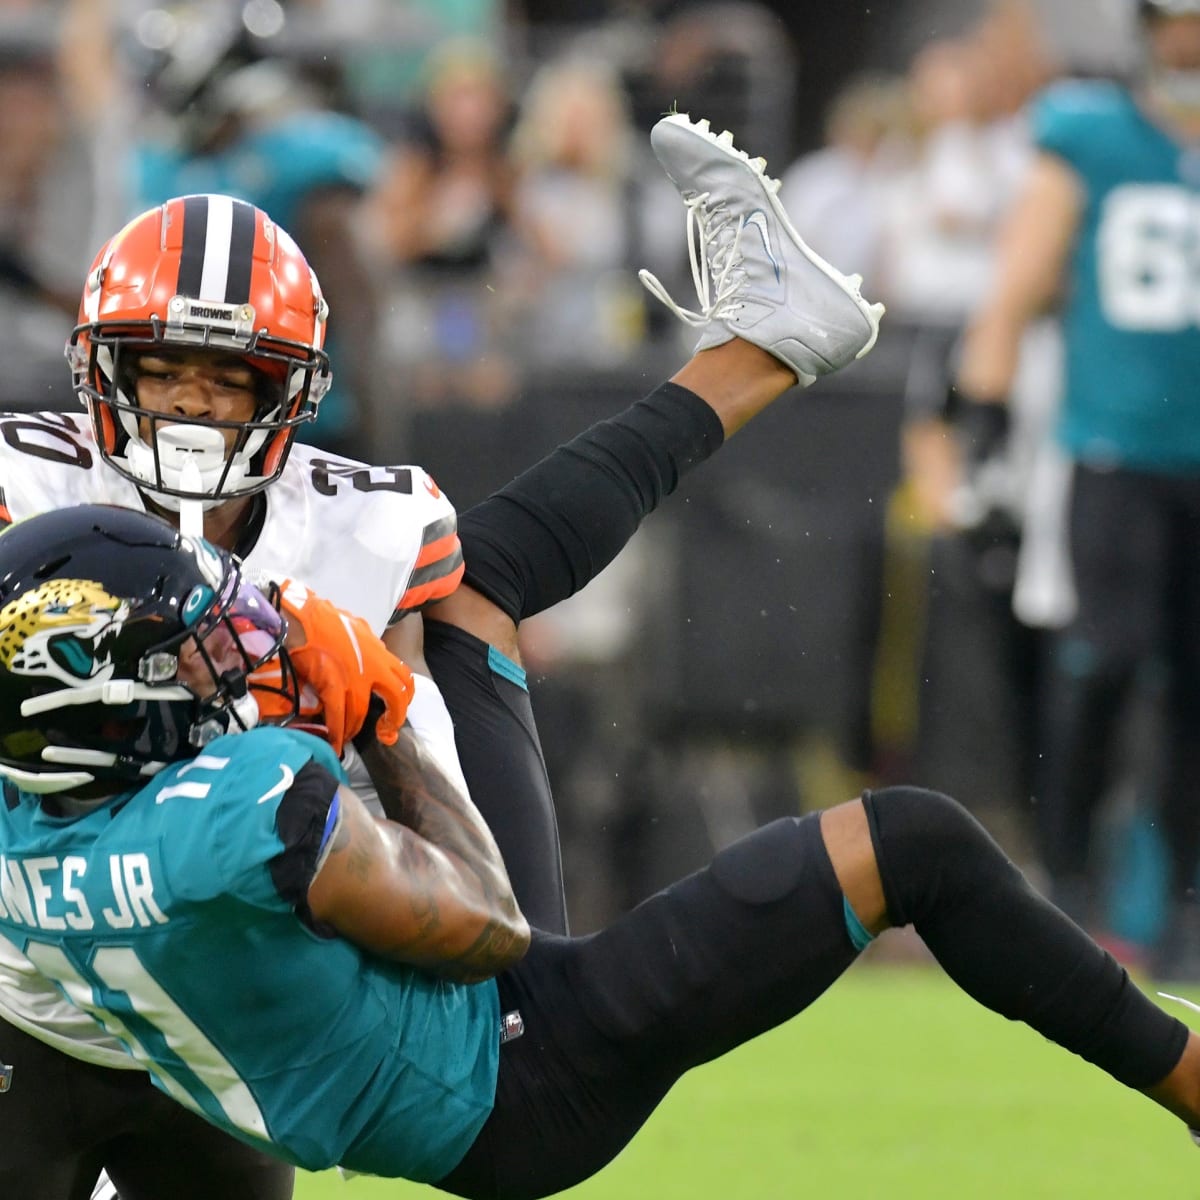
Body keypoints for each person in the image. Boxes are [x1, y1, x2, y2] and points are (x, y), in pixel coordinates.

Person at [0, 111, 883, 1198]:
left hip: (223, 996)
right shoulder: (29, 488)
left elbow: (443, 838)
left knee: (521, 1007)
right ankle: (765, 348)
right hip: (27, 989)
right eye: (164, 369)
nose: (190, 404)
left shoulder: (364, 534)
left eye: (227, 378)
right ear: (100, 373)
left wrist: (354, 734)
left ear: (291, 396)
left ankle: (763, 351)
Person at [2, 501, 1200, 1200]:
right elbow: (489, 923)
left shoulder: (30, 817)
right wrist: (377, 720)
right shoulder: (245, 813)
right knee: (914, 842)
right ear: (99, 694)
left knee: (477, 598)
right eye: (204, 654)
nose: (236, 661)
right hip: (514, 1074)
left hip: (279, 1073)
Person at [949, 0, 1200, 973]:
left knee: (1194, 696)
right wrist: (986, 405)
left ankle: (1181, 902)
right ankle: (1067, 883)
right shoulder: (1090, 135)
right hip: (1115, 453)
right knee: (1105, 661)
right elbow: (1018, 277)